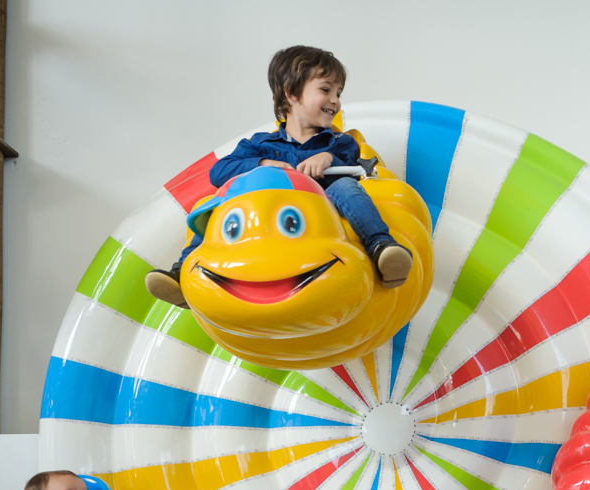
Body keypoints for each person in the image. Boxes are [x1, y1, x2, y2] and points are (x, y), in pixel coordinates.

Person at [145, 45, 412, 307]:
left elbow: (356, 172)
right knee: (214, 205)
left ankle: (382, 248)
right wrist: (263, 164)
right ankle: (183, 272)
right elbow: (219, 172)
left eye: (338, 93)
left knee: (345, 186)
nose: (335, 100)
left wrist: (328, 159)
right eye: (326, 89)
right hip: (263, 218)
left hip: (317, 217)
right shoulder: (260, 144)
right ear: (292, 92)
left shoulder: (340, 143)